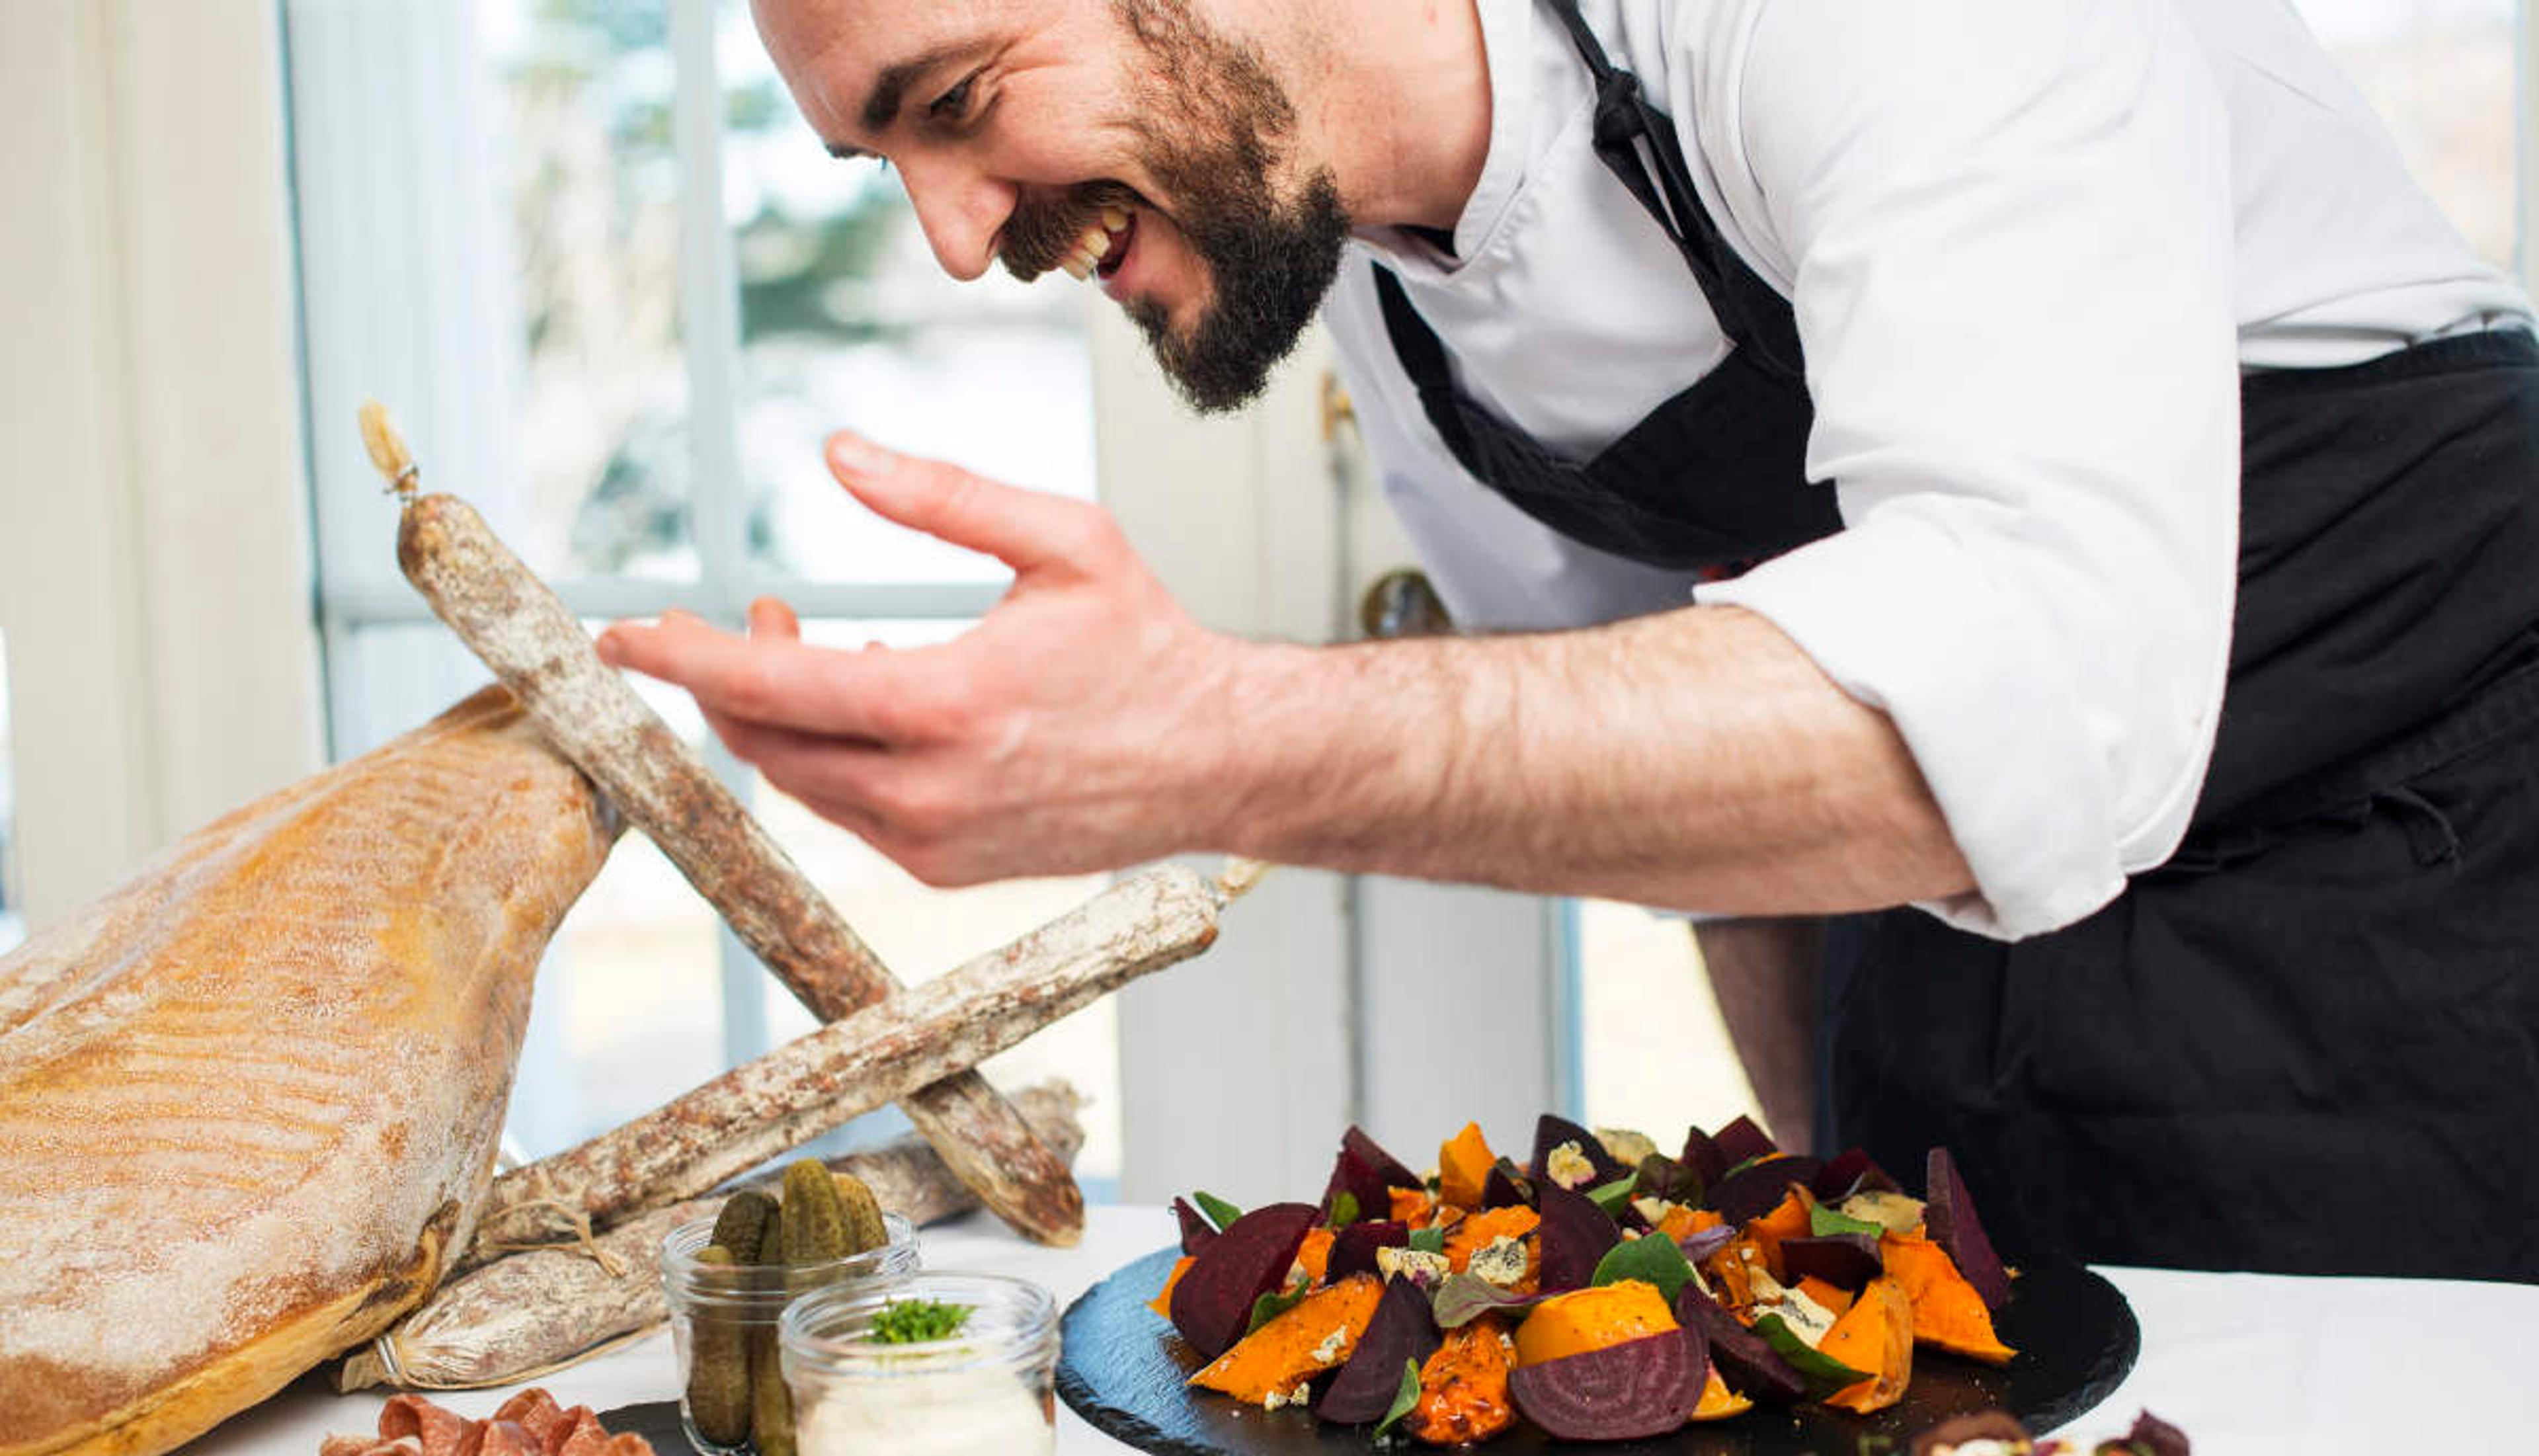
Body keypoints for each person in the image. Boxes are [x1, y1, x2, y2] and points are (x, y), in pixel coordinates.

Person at [598, 0, 2539, 1279]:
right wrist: (1826, 1212)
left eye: (955, 104)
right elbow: (1682, 781)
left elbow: (2026, 688)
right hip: (1981, 1041)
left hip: (2426, 911)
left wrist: (1212, 740)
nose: (951, 237)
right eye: (889, 165)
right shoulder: (1370, 283)